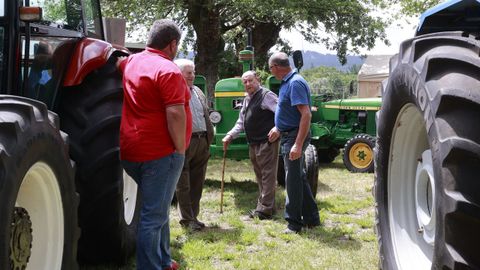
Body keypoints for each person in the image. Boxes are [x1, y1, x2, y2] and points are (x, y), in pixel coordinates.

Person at [117, 19, 191, 270]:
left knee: (158, 209)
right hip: (160, 154)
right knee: (153, 216)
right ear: (172, 45)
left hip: (131, 151)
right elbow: (175, 114)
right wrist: (180, 148)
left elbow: (118, 61)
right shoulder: (169, 71)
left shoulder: (132, 62)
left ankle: (163, 260)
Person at [268, 52, 320, 234]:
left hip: (295, 136)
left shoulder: (295, 82)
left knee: (292, 180)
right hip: (288, 134)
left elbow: (306, 114)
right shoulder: (288, 82)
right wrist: (278, 128)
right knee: (298, 176)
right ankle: (312, 218)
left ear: (276, 67)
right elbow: (290, 112)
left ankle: (294, 223)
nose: (271, 72)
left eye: (270, 68)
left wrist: (297, 145)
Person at [222, 70, 280, 220]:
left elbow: (282, 113)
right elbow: (241, 121)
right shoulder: (247, 99)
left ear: (258, 80)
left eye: (250, 81)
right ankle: (268, 206)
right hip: (253, 143)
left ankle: (264, 211)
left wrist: (278, 128)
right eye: (245, 82)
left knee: (267, 176)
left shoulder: (267, 96)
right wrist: (230, 135)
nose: (248, 84)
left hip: (267, 142)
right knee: (260, 176)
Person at [174, 58, 214, 231]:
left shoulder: (197, 91)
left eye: (193, 72)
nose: (192, 76)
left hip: (202, 141)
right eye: (189, 72)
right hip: (185, 141)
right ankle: (187, 219)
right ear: (179, 73)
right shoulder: (174, 90)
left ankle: (194, 217)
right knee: (183, 182)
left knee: (198, 181)